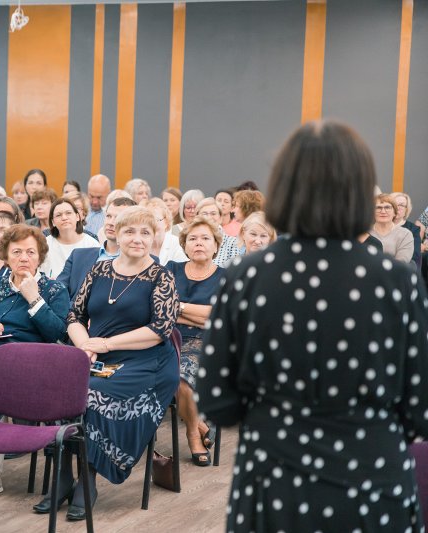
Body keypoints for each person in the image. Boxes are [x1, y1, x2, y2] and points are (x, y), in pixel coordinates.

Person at [197, 120, 428, 532]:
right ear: (361, 192)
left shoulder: (245, 277)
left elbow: (218, 403)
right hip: (373, 481)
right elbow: (421, 409)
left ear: (284, 188)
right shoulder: (398, 281)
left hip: (276, 484)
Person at [50, 206, 179, 520]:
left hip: (148, 362)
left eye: (145, 232)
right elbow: (74, 316)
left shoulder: (161, 276)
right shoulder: (99, 270)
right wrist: (83, 345)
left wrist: (104, 343)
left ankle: (87, 478)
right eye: (130, 232)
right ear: (116, 235)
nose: (137, 239)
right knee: (60, 387)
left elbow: (159, 330)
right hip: (96, 353)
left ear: (155, 237)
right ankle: (64, 473)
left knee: (91, 392)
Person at [0, 224, 70, 499]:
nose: (23, 257)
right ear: (5, 255)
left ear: (40, 256)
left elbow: (57, 333)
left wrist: (33, 298)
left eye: (30, 252)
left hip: (23, 368)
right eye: (16, 251)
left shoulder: (53, 290)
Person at [165, 216, 224, 466]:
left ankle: (192, 435)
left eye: (205, 238)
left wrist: (180, 307)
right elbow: (161, 309)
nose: (198, 243)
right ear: (184, 244)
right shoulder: (171, 269)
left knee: (180, 379)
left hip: (207, 344)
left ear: (215, 245)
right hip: (167, 338)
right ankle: (198, 422)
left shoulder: (227, 277)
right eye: (192, 238)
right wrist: (203, 313)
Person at [57, 197, 137, 301]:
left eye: (118, 218)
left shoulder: (142, 263)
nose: (111, 222)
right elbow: (56, 294)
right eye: (108, 216)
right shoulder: (78, 256)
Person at [40, 198, 99, 279]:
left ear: (77, 217)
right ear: (53, 222)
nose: (64, 218)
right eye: (58, 215)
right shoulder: (45, 244)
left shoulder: (92, 244)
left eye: (68, 213)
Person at [369, 193, 414, 264]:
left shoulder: (405, 234)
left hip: (395, 273)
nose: (383, 211)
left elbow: (402, 263)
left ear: (395, 213)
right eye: (378, 208)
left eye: (387, 207)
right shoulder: (364, 233)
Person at [196, 197, 240, 267]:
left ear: (220, 218)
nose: (209, 217)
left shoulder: (233, 243)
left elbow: (233, 270)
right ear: (197, 217)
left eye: (213, 214)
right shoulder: (190, 240)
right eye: (204, 213)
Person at [145, 198, 187, 265]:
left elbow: (181, 270)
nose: (152, 225)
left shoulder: (176, 243)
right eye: (148, 221)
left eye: (156, 220)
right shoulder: (140, 244)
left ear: (166, 222)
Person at [393, 192, 421, 266]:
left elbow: (415, 256)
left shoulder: (413, 229)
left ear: (406, 210)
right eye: (394, 204)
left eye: (401, 205)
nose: (397, 207)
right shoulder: (379, 226)